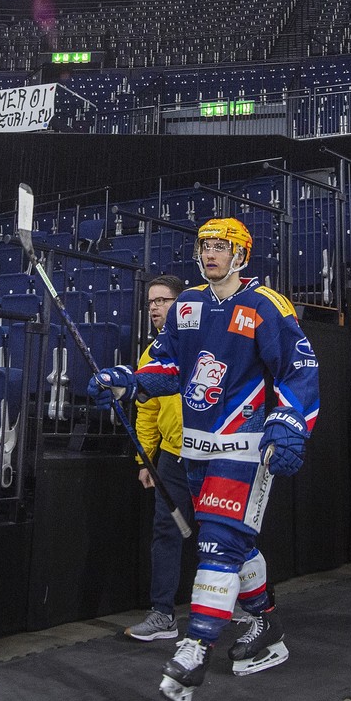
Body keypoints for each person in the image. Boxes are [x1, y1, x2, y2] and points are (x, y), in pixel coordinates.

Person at [89, 217, 318, 701]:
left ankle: (197, 646)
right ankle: (266, 625)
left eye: (221, 246)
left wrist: (291, 423)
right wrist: (129, 380)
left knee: (216, 543)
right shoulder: (187, 304)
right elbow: (168, 364)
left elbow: (298, 368)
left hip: (245, 445)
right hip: (195, 445)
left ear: (241, 254)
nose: (210, 253)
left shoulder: (265, 305)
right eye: (205, 245)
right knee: (235, 540)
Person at [124, 275, 196, 642]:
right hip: (170, 457)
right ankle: (163, 615)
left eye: (162, 300)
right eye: (151, 302)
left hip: (213, 453)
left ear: (180, 304)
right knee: (165, 531)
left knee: (226, 533)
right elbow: (146, 413)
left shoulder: (203, 344)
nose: (154, 307)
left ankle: (246, 605)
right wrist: (144, 461)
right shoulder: (150, 356)